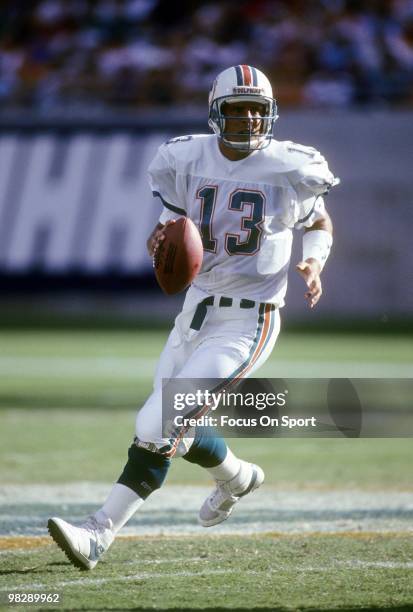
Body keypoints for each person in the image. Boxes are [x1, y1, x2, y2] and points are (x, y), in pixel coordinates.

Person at [48, 64, 339, 570]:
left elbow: (318, 220)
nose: (247, 120)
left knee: (158, 421)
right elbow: (173, 221)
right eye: (236, 109)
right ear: (214, 112)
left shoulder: (291, 166)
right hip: (195, 311)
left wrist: (314, 261)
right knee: (171, 429)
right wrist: (159, 239)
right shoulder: (184, 157)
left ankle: (98, 533)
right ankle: (237, 477)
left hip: (251, 319)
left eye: (256, 110)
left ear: (270, 114)